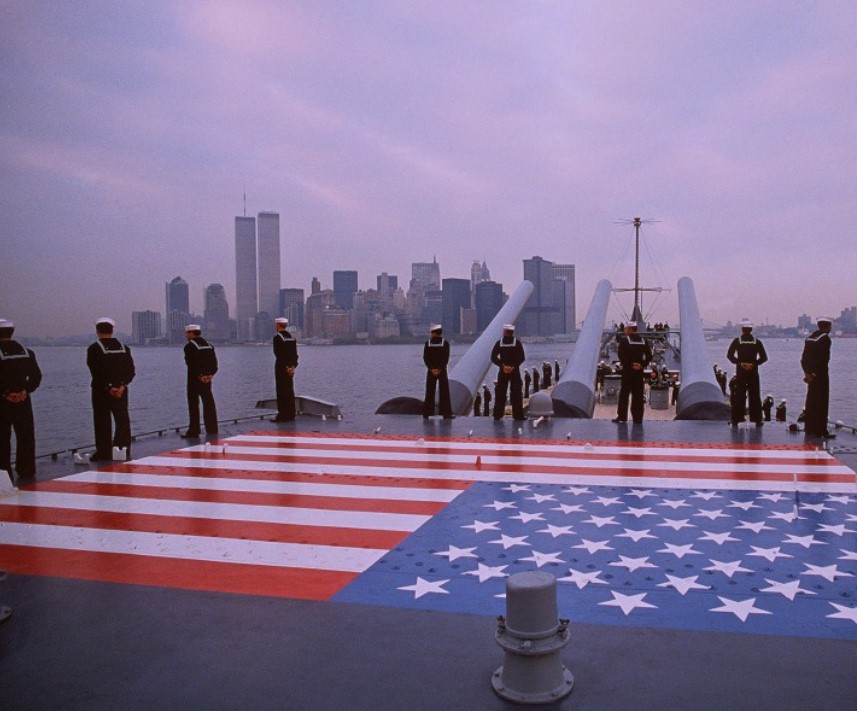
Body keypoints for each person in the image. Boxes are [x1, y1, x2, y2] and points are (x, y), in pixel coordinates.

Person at [86, 317, 135, 461]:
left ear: (97, 331)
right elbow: (130, 370)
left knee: (102, 421)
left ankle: (103, 452)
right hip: (121, 390)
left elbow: (95, 371)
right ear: (112, 330)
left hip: (101, 391)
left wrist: (109, 387)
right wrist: (121, 386)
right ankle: (122, 449)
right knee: (122, 419)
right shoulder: (124, 348)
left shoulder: (94, 348)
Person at [0, 319, 42, 485]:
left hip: (3, 402)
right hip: (24, 400)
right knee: (25, 436)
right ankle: (27, 469)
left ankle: (4, 472)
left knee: (2, 438)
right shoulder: (27, 352)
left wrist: (6, 394)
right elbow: (36, 376)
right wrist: (25, 391)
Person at [726, 320, 768, 427]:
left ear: (742, 329)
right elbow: (764, 357)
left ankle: (736, 419)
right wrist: (753, 364)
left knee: (739, 395)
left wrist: (740, 363)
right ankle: (757, 419)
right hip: (753, 371)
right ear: (751, 330)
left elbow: (730, 355)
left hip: (740, 371)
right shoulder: (757, 342)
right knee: (754, 395)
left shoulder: (737, 341)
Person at [182, 324, 218, 438]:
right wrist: (210, 375)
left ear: (191, 333)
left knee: (193, 404)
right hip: (208, 380)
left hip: (194, 380)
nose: (186, 335)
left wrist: (200, 376)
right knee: (209, 403)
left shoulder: (189, 347)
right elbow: (214, 363)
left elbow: (191, 364)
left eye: (187, 333)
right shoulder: (209, 346)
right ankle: (212, 428)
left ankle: (194, 430)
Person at [612, 321, 652, 424]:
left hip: (627, 372)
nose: (624, 330)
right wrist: (641, 364)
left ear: (630, 329)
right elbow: (649, 356)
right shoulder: (644, 341)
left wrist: (631, 364)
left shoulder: (624, 341)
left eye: (626, 328)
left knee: (624, 394)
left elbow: (621, 356)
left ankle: (622, 416)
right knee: (638, 396)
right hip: (639, 373)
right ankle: (637, 418)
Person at [801, 316, 834, 438]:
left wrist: (807, 374)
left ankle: (809, 427)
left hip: (809, 374)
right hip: (820, 374)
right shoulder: (825, 339)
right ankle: (821, 430)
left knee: (811, 400)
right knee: (822, 402)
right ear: (827, 326)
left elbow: (803, 359)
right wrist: (815, 374)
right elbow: (823, 359)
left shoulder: (809, 338)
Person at [491, 325, 526, 421]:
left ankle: (497, 415)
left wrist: (502, 366)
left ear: (505, 332)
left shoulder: (499, 343)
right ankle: (518, 415)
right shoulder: (517, 343)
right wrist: (514, 366)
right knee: (516, 393)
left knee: (500, 393)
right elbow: (522, 357)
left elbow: (493, 357)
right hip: (514, 370)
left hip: (503, 370)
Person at [422, 325, 453, 419]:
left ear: (434, 333)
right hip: (442, 370)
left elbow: (426, 357)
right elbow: (446, 357)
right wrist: (440, 368)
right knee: (444, 392)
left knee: (429, 391)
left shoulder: (428, 343)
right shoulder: (445, 343)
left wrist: (431, 368)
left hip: (431, 370)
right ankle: (446, 413)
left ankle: (427, 413)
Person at [273, 317, 299, 421]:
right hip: (291, 369)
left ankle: (282, 415)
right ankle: (291, 413)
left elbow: (278, 354)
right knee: (289, 390)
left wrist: (286, 367)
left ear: (278, 325)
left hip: (281, 368)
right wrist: (292, 367)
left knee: (281, 390)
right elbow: (295, 355)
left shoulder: (277, 338)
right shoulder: (292, 338)